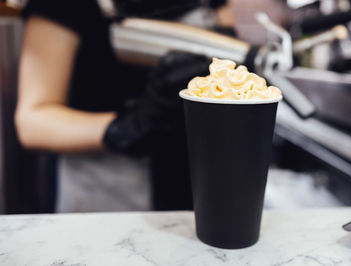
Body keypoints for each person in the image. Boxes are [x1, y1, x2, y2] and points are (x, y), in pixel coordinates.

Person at [15, 0, 211, 212]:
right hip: (107, 188)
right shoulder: (65, 6)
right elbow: (32, 121)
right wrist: (128, 127)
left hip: (196, 183)